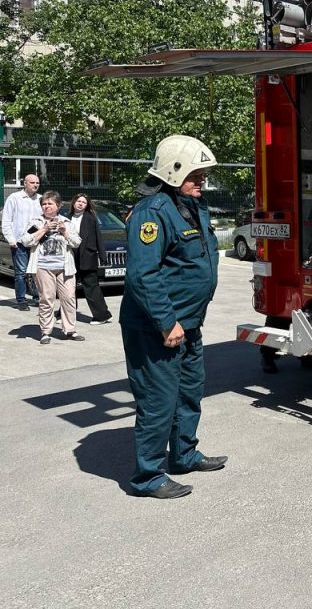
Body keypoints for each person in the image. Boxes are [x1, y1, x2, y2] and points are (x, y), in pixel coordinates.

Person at [121, 135, 227, 499]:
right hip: (157, 327)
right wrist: (167, 322)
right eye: (196, 175)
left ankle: (183, 454)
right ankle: (148, 476)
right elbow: (142, 274)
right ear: (173, 171)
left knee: (189, 393)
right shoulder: (152, 211)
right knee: (158, 400)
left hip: (188, 324)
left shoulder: (192, 205)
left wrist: (186, 321)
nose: (202, 182)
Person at [21, 191, 84, 344]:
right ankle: (45, 332)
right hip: (43, 267)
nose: (46, 206)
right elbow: (25, 241)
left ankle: (69, 329)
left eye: (50, 204)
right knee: (46, 299)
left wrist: (65, 232)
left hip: (65, 268)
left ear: (58, 206)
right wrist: (43, 229)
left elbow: (77, 242)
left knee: (69, 298)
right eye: (44, 204)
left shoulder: (67, 222)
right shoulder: (36, 222)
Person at [68, 193, 113, 324]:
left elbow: (99, 237)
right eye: (78, 201)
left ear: (87, 205)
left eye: (84, 202)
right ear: (74, 202)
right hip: (71, 257)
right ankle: (66, 314)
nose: (80, 203)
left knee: (91, 288)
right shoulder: (67, 217)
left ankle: (102, 315)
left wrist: (102, 255)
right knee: (69, 287)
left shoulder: (90, 218)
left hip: (87, 257)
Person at [2, 173, 42, 309]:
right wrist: (10, 239)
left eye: (37, 183)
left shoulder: (40, 199)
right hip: (19, 242)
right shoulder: (15, 198)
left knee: (36, 271)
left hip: (36, 242)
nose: (35, 185)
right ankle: (21, 300)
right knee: (21, 272)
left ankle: (38, 298)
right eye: (32, 183)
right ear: (25, 183)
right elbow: (6, 220)